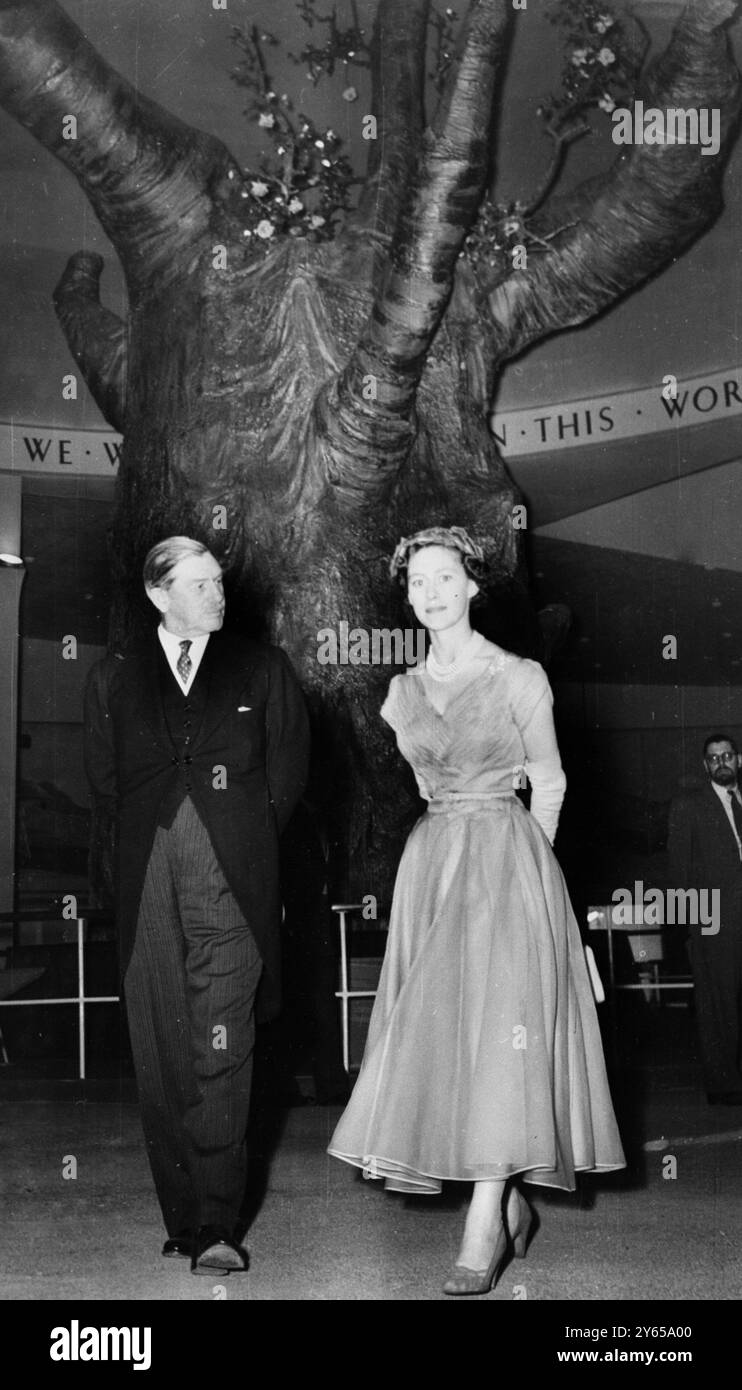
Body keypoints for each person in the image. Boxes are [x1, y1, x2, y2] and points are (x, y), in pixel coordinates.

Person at [328, 525, 625, 1295]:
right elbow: (425, 786)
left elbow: (550, 781)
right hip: (432, 866)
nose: (428, 593)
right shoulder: (398, 693)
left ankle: (484, 1220)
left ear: (472, 586)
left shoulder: (521, 675)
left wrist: (536, 875)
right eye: (416, 582)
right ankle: (512, 1196)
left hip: (508, 859)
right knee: (444, 1037)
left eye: (442, 578)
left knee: (503, 1037)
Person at [83, 536, 309, 1274]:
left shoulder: (263, 669)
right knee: (160, 1047)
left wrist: (237, 841)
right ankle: (181, 1219)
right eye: (202, 583)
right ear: (159, 594)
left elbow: (287, 776)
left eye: (219, 581)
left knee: (223, 1043)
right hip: (146, 874)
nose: (219, 594)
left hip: (232, 881)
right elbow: (105, 785)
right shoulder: (113, 675)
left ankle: (217, 1225)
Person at [667, 735, 742, 1105]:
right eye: (713, 759)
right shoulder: (689, 806)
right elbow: (678, 870)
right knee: (719, 1004)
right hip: (713, 923)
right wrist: (691, 930)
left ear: (738, 759)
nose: (721, 763)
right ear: (705, 766)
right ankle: (724, 1085)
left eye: (727, 756)